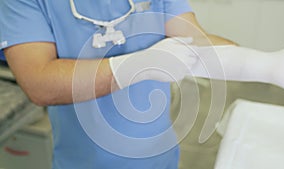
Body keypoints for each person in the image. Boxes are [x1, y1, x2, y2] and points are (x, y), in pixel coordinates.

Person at [0, 0, 234, 169]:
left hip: (159, 158)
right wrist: (137, 65)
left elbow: (196, 43)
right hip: (83, 162)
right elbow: (39, 83)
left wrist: (265, 65)